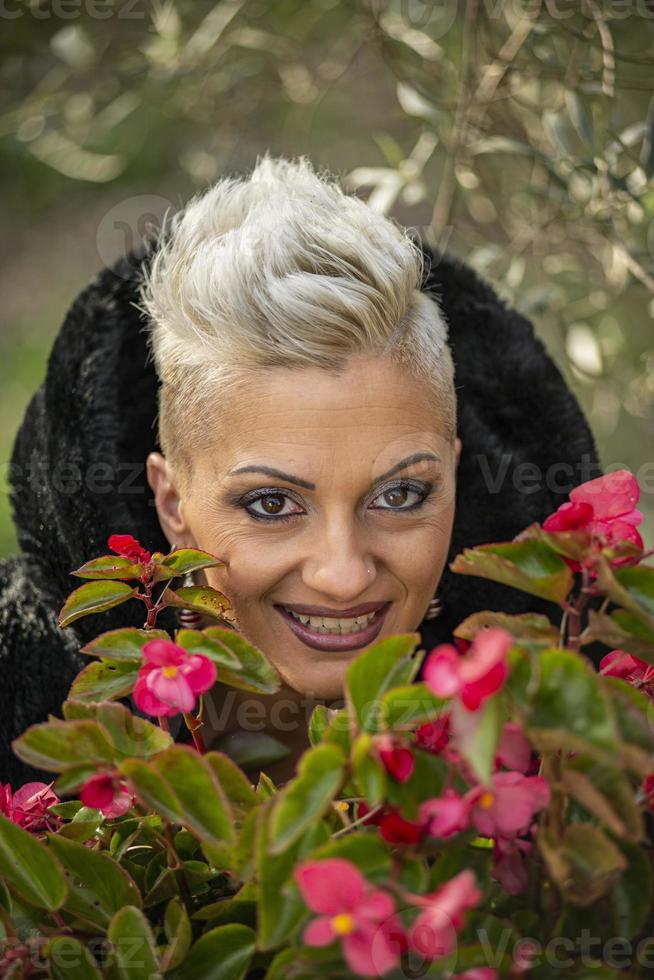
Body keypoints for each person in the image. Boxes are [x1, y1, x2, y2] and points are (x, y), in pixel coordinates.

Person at [0, 153, 602, 786]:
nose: (342, 577)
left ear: (454, 477)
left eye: (400, 494)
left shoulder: (595, 705)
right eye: (270, 504)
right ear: (171, 503)